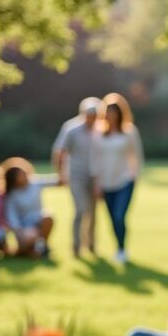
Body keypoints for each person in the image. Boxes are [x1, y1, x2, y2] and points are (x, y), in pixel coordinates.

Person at [92, 92, 144, 264]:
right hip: (106, 183)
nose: (111, 115)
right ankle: (119, 246)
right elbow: (96, 160)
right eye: (108, 112)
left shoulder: (129, 132)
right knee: (112, 218)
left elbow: (136, 156)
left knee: (120, 216)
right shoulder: (98, 134)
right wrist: (97, 183)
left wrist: (134, 176)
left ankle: (122, 250)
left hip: (124, 180)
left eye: (114, 112)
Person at [53, 97, 100, 257]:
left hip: (95, 177)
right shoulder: (71, 129)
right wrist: (60, 173)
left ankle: (91, 244)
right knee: (81, 209)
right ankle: (76, 245)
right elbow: (59, 151)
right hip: (76, 175)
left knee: (93, 212)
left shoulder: (100, 130)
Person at [2, 157, 59, 258]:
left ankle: (41, 247)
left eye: (24, 173)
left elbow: (56, 181)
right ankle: (28, 251)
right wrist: (20, 232)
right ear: (14, 179)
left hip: (38, 221)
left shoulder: (34, 183)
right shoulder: (12, 195)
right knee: (30, 237)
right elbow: (12, 217)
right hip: (24, 228)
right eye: (20, 175)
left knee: (48, 217)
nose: (24, 175)